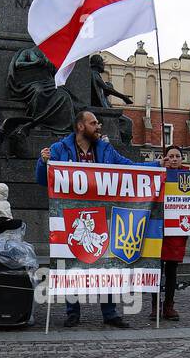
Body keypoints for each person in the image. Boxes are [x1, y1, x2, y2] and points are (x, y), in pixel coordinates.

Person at [36, 109, 131, 328]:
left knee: (107, 264)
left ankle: (110, 312)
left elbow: (128, 167)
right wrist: (43, 162)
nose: (98, 126)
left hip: (101, 215)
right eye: (94, 123)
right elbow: (43, 180)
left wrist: (157, 168)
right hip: (71, 216)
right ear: (80, 126)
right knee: (72, 263)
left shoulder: (105, 149)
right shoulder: (60, 149)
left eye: (98, 123)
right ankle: (73, 312)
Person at [154, 144, 190, 321]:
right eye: (170, 156)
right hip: (158, 227)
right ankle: (155, 307)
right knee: (156, 269)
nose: (174, 159)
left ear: (182, 159)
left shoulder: (189, 176)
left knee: (171, 271)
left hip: (176, 230)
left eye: (177, 156)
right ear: (165, 158)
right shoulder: (157, 174)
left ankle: (169, 305)